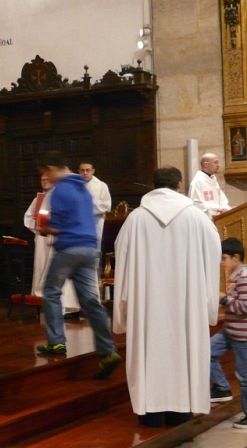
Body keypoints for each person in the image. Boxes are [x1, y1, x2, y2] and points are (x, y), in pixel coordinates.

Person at [113, 166, 221, 427]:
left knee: (148, 350)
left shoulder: (136, 218)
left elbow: (122, 257)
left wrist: (123, 309)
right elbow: (214, 253)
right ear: (180, 185)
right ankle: (181, 410)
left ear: (154, 185)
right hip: (187, 301)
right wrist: (208, 302)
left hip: (146, 302)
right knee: (183, 348)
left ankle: (149, 412)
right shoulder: (197, 218)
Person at [36, 153, 120, 379]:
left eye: (47, 173)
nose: (48, 178)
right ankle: (108, 351)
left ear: (53, 168)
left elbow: (56, 226)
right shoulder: (84, 188)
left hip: (69, 249)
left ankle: (56, 343)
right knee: (91, 302)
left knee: (51, 292)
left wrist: (44, 228)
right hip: (90, 249)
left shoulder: (61, 189)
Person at [24, 172, 79, 313]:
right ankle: (43, 301)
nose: (45, 182)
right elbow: (28, 217)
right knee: (42, 266)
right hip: (42, 240)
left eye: (47, 180)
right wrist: (37, 224)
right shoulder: (39, 198)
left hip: (57, 238)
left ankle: (63, 305)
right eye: (42, 180)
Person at [210, 237, 247, 430]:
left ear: (236, 257)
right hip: (230, 330)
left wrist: (224, 299)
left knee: (244, 377)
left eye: (224, 258)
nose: (222, 263)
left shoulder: (244, 276)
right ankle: (222, 388)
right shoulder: (235, 275)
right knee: (206, 352)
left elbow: (244, 306)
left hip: (243, 335)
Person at [78, 161, 111, 250]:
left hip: (95, 223)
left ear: (93, 171)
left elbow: (106, 206)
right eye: (82, 170)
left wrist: (87, 204)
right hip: (78, 224)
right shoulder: (75, 186)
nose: (85, 173)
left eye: (88, 170)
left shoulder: (101, 186)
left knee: (94, 248)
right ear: (79, 171)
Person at [188, 153, 230, 219]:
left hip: (219, 218)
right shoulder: (198, 182)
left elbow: (222, 200)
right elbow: (196, 204)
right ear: (206, 164)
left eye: (218, 162)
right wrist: (217, 208)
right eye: (215, 162)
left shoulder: (213, 180)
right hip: (206, 220)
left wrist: (226, 209)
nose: (218, 165)